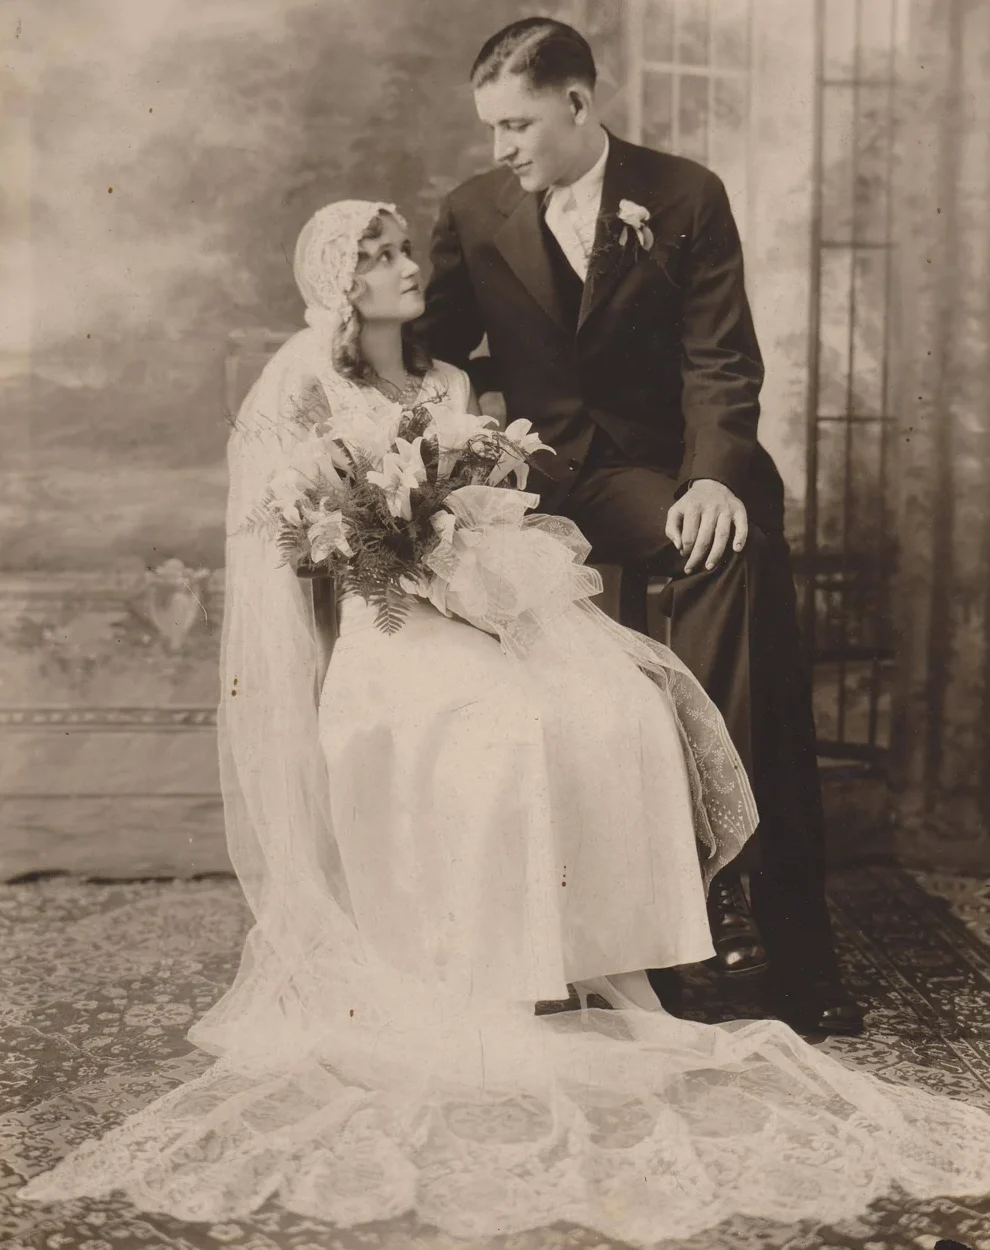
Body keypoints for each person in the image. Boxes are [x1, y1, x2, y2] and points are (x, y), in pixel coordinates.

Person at [15, 201, 990, 1247]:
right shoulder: (302, 376)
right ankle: (496, 966)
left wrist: (467, 561)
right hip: (386, 632)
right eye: (376, 255)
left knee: (613, 701)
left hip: (473, 599)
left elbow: (485, 508)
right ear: (339, 285)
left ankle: (610, 955)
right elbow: (284, 546)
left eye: (400, 247)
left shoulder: (447, 384)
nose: (403, 266)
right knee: (505, 726)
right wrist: (382, 565)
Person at [419, 17, 860, 1034]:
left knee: (732, 555)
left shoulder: (683, 193)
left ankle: (739, 884)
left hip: (663, 472)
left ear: (580, 103)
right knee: (731, 606)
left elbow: (722, 361)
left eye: (518, 125)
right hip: (546, 481)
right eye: (491, 129)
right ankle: (687, 883)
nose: (502, 151)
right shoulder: (473, 210)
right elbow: (435, 352)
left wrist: (712, 480)